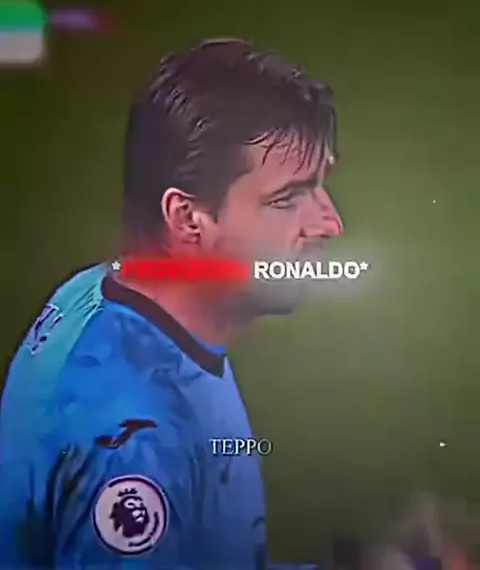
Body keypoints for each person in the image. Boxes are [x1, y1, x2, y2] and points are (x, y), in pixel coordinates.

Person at [0, 38, 343, 568]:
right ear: (187, 219)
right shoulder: (137, 438)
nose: (329, 224)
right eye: (286, 199)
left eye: (319, 188)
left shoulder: (104, 296)